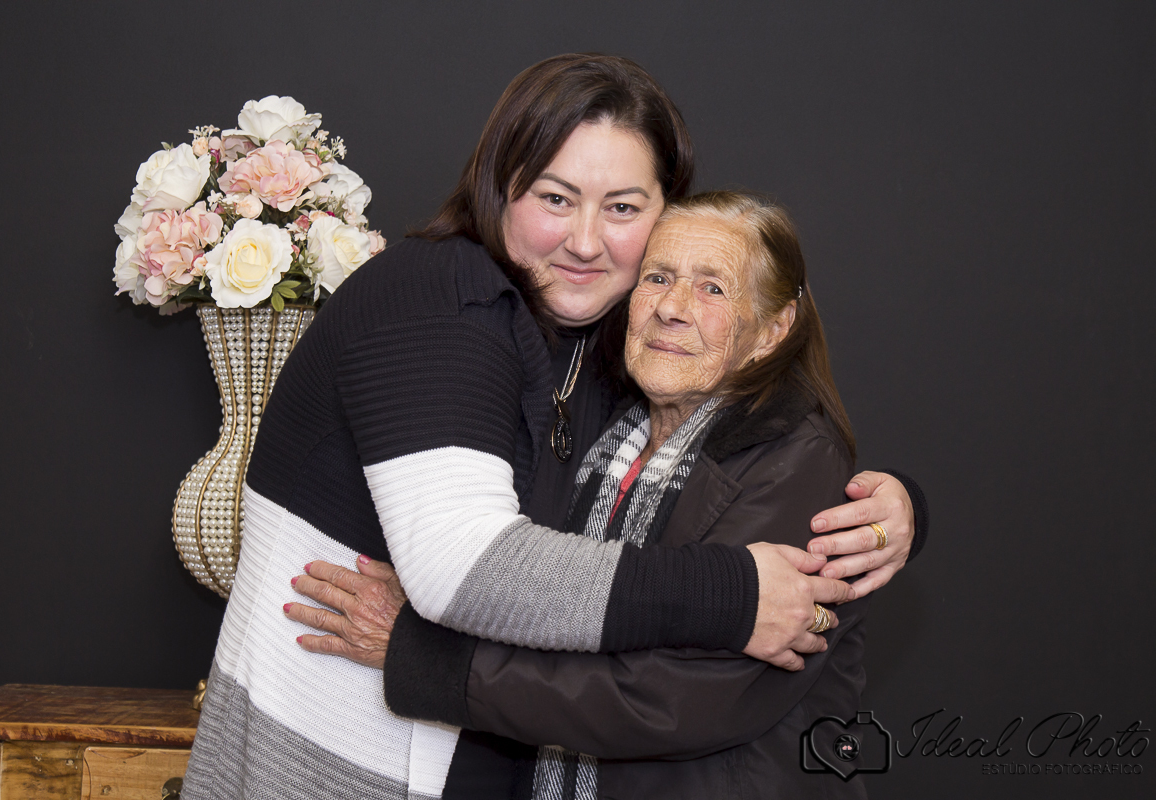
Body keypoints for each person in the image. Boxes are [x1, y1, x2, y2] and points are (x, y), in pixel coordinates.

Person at [183, 54, 926, 800]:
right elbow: (463, 568)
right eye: (556, 198)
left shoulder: (606, 347)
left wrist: (899, 510)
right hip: (330, 756)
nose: (585, 241)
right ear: (499, 186)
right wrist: (733, 592)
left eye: (625, 209)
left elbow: (775, 452)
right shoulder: (438, 300)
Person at [292, 192, 879, 799]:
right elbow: (532, 596)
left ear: (772, 330)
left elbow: (667, 698)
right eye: (657, 277)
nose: (672, 309)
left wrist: (423, 656)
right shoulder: (596, 428)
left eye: (713, 289)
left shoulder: (801, 461)